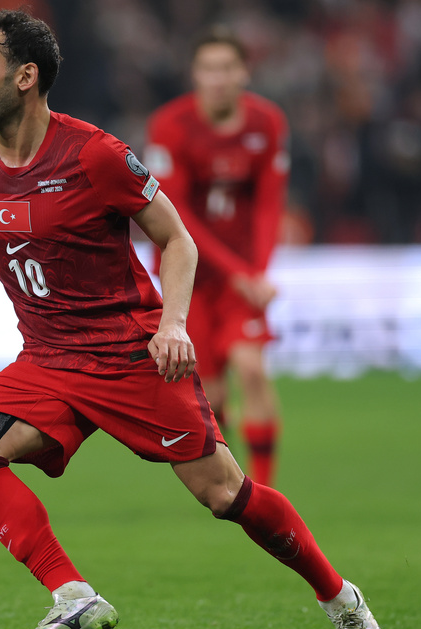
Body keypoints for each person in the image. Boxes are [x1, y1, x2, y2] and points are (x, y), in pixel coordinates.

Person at [0, 9, 387, 629]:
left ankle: (342, 599)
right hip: (47, 358)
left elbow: (176, 237)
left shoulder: (95, 154)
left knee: (225, 495)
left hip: (128, 354)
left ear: (26, 77)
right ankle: (73, 596)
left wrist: (172, 322)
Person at [145, 28, 287, 487]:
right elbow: (178, 215)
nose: (219, 78)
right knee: (211, 390)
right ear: (195, 74)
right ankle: (231, 481)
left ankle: (263, 490)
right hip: (187, 274)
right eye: (209, 69)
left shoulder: (268, 124)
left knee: (251, 368)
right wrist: (241, 272)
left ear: (244, 71)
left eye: (228, 68)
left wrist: (257, 272)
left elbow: (268, 204)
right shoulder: (169, 126)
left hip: (240, 276)